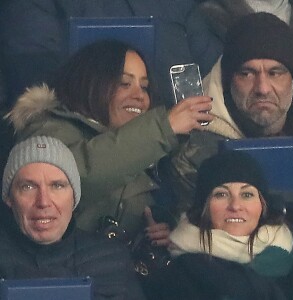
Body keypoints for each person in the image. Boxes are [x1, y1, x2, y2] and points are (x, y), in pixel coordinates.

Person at [7, 39, 213, 248]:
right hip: (74, 269)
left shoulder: (147, 142)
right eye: (124, 83)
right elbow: (78, 175)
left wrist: (167, 227)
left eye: (144, 87)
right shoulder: (48, 129)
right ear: (91, 83)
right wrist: (163, 127)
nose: (139, 96)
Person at [169, 12, 293, 212]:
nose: (262, 88)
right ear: (227, 82)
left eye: (275, 73)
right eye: (247, 74)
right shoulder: (195, 152)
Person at [0, 135, 145, 299]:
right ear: (9, 198)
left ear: (74, 197)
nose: (43, 201)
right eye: (28, 186)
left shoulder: (112, 259)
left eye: (57, 186)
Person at [0, 0, 222, 107]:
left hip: (178, 149)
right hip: (82, 145)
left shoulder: (180, 6)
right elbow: (34, 80)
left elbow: (215, 71)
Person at [143, 151, 293, 300]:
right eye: (221, 194)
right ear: (204, 207)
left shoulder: (290, 254)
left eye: (247, 195)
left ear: (262, 204)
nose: (235, 206)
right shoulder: (183, 275)